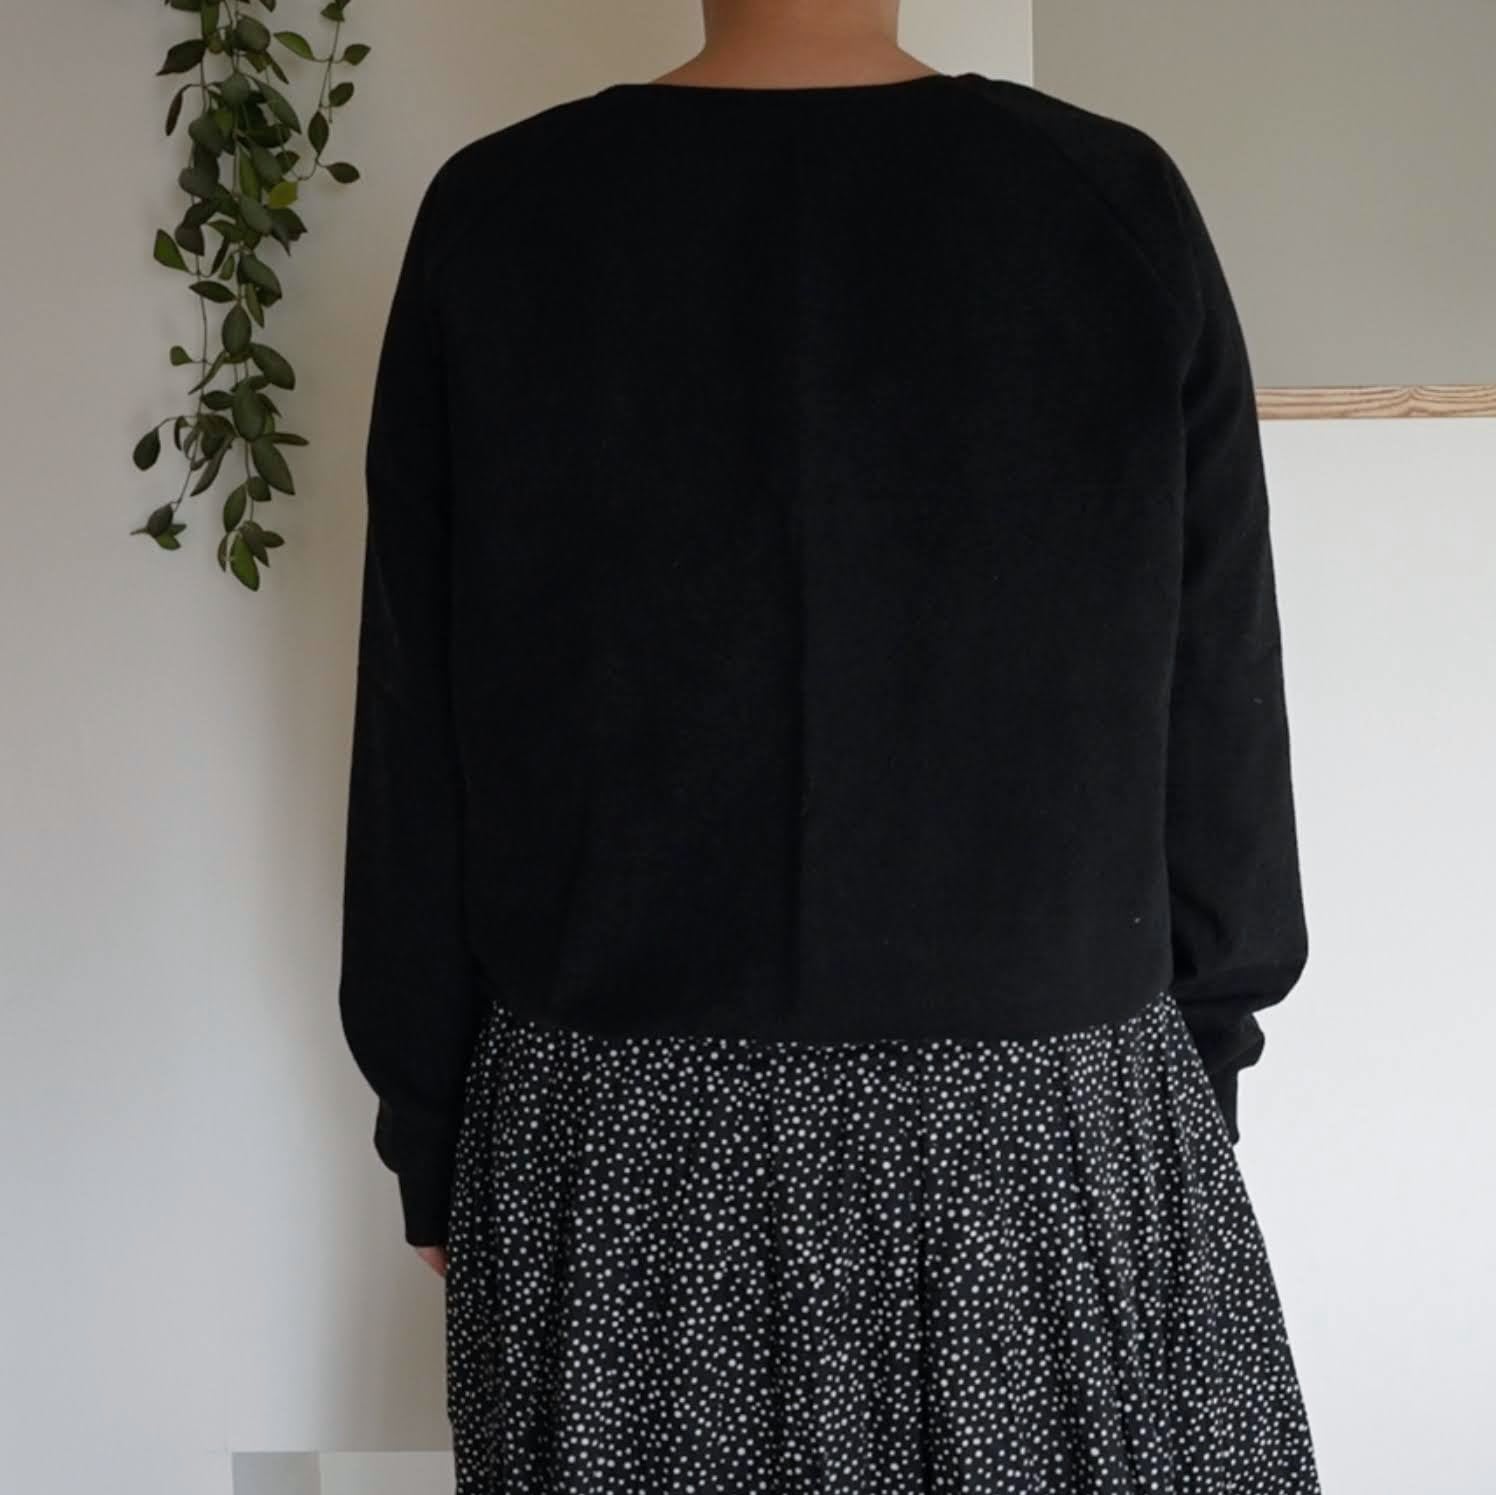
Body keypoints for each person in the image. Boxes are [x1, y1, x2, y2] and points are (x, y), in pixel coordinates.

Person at [337, 2, 1320, 1489]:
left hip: (624, 1150)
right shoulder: (1107, 203)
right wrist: (1204, 1057)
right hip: (1038, 1141)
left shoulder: (502, 213)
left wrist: (431, 1120)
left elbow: (421, 730)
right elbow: (1220, 686)